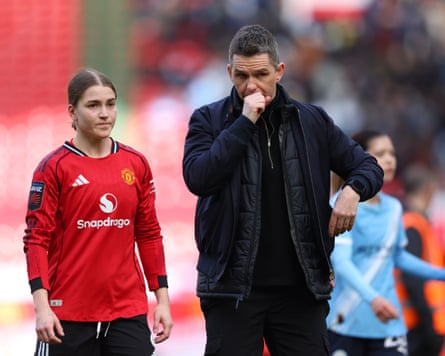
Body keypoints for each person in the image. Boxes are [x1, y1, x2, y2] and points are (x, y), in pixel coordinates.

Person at [182, 24, 384, 356]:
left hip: (300, 290)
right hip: (231, 290)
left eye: (261, 74)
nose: (251, 86)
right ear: (229, 72)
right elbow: (198, 178)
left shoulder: (312, 121)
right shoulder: (208, 119)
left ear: (279, 71)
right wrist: (244, 123)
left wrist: (352, 191)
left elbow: (368, 166)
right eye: (241, 76)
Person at [23, 68, 173, 356]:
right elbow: (36, 240)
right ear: (73, 112)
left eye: (110, 104)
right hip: (67, 314)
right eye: (93, 105)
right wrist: (42, 309)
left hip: (126, 311)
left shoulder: (136, 163)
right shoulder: (53, 168)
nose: (105, 113)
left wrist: (161, 301)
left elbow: (149, 234)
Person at [327, 130, 445, 356]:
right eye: (380, 153)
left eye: (392, 153)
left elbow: (398, 256)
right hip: (347, 321)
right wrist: (374, 299)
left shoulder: (393, 208)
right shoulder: (342, 205)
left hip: (388, 322)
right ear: (359, 160)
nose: (390, 159)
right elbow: (341, 263)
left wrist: (440, 274)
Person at [394, 164, 445, 356]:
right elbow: (412, 279)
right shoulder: (412, 225)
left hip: (416, 321)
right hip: (417, 324)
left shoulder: (409, 221)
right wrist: (429, 323)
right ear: (427, 191)